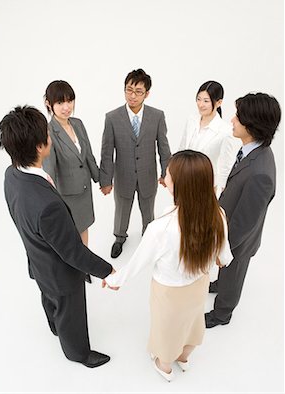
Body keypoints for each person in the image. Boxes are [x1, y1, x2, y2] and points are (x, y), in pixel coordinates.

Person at [0, 105, 114, 368]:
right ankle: (78, 353)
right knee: (70, 311)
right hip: (59, 271)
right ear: (40, 146)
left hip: (37, 260)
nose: (50, 136)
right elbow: (73, 251)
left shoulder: (11, 175)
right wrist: (107, 271)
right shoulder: (47, 205)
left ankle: (54, 326)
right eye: (47, 134)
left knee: (48, 297)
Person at [103, 150, 233, 381]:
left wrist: (115, 280)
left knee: (166, 327)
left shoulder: (161, 228)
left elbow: (138, 261)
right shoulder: (218, 215)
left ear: (181, 185)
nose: (164, 177)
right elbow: (224, 256)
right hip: (199, 284)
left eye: (168, 174)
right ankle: (184, 357)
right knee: (192, 322)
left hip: (169, 291)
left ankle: (164, 366)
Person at [205, 92, 281, 328]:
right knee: (226, 274)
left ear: (253, 125)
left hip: (238, 241)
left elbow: (244, 224)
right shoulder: (251, 151)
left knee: (232, 272)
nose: (232, 120)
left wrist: (222, 251)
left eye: (238, 117)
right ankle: (220, 284)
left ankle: (222, 313)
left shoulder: (260, 174)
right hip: (228, 223)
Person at [100, 68, 171, 259]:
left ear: (147, 94)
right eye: (129, 90)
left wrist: (167, 173)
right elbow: (107, 152)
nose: (132, 95)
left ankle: (149, 238)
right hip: (123, 175)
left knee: (148, 210)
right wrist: (105, 180)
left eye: (138, 91)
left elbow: (163, 148)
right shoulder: (112, 118)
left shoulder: (157, 116)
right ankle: (120, 238)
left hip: (148, 174)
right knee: (121, 209)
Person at [43, 80, 99, 283]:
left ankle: (84, 267)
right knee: (70, 234)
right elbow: (49, 168)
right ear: (49, 104)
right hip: (66, 194)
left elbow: (88, 155)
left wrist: (100, 179)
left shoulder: (78, 123)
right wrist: (50, 197)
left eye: (70, 101)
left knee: (83, 228)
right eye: (60, 103)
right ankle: (73, 269)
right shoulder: (48, 132)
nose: (67, 107)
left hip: (84, 190)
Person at [179, 81, 240, 197]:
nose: (201, 104)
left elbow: (226, 167)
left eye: (206, 101)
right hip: (184, 182)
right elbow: (181, 149)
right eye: (199, 99)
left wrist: (222, 195)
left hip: (206, 186)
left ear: (219, 102)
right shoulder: (191, 120)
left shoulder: (226, 131)